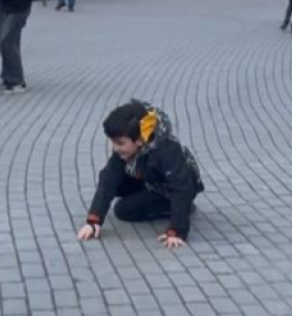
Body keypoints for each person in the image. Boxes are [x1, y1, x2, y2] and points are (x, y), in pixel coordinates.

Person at [76, 101, 205, 250]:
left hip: (174, 188)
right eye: (113, 143)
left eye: (120, 143)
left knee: (124, 210)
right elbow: (108, 177)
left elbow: (180, 188)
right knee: (113, 181)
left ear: (139, 140)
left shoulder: (167, 149)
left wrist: (176, 231)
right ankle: (155, 198)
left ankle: (180, 207)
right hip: (150, 178)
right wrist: (93, 221)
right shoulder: (131, 141)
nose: (115, 149)